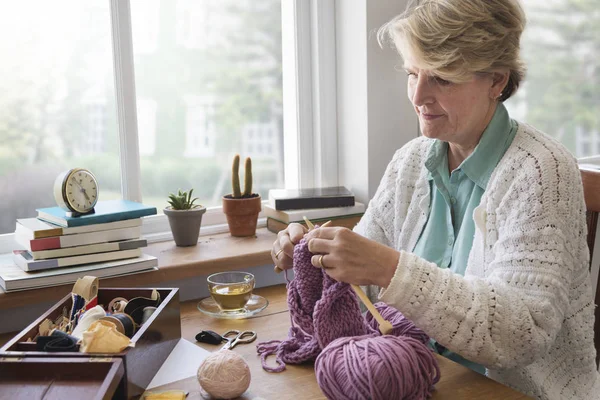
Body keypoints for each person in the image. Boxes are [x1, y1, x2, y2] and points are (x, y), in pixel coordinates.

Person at [271, 0, 600, 399]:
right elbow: (363, 287)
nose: (419, 96)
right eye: (413, 74)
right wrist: (319, 253)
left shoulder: (543, 171)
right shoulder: (411, 160)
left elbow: (521, 335)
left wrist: (391, 268)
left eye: (442, 78)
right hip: (416, 376)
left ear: (497, 80)